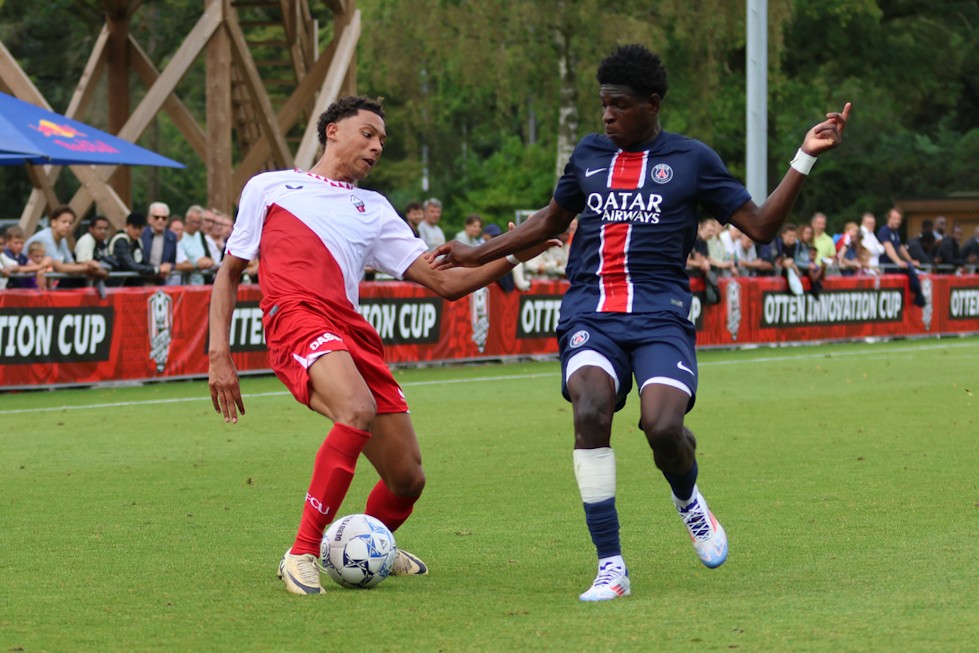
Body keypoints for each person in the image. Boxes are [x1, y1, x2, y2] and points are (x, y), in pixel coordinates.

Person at [431, 44, 850, 601]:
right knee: (590, 408)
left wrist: (804, 157)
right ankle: (611, 567)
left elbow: (763, 227)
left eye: (618, 105)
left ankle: (689, 501)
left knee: (662, 429)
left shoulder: (693, 159)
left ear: (651, 105)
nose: (606, 115)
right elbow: (549, 221)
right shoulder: (587, 155)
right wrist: (477, 252)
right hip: (590, 313)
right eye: (602, 105)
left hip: (660, 318)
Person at [207, 95, 553, 596]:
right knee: (355, 409)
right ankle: (301, 552)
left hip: (351, 332)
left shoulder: (375, 209)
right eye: (368, 133)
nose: (377, 146)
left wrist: (520, 248)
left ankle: (370, 544)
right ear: (331, 131)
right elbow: (229, 272)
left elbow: (448, 284)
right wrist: (220, 355)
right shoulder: (270, 186)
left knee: (407, 480)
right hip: (296, 318)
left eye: (383, 141)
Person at [25, 205, 107, 286]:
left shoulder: (62, 240)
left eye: (70, 223)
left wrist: (88, 264)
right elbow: (60, 268)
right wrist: (88, 268)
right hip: (26, 282)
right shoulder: (45, 238)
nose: (67, 225)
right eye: (64, 222)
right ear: (54, 222)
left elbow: (71, 264)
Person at [109, 212, 172, 285]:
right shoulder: (120, 240)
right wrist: (157, 269)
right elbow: (131, 264)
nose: (137, 231)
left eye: (140, 228)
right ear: (127, 226)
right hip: (115, 286)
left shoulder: (138, 241)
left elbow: (143, 262)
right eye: (134, 228)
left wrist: (161, 268)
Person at [142, 201, 190, 285]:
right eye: (156, 217)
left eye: (164, 218)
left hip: (162, 282)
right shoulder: (142, 234)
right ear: (149, 219)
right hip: (141, 280)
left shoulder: (172, 237)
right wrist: (155, 269)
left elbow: (172, 261)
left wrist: (170, 266)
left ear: (167, 220)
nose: (160, 220)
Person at [177, 204, 216, 285]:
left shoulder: (200, 235)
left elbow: (209, 257)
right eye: (193, 222)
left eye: (198, 223)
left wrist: (208, 262)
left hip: (201, 281)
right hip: (186, 282)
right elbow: (179, 262)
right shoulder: (180, 237)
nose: (195, 225)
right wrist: (197, 264)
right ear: (186, 220)